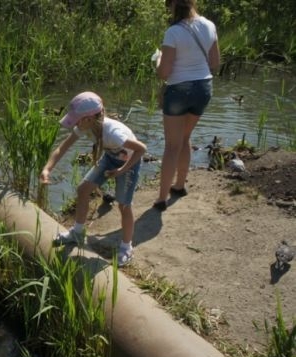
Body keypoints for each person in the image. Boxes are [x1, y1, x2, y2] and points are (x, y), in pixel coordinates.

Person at [40, 91, 147, 266]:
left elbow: (141, 149)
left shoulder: (113, 133)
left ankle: (126, 247)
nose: (74, 123)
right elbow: (62, 148)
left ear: (89, 119)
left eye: (76, 119)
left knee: (124, 205)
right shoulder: (86, 127)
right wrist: (47, 169)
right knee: (83, 189)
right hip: (110, 157)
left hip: (129, 162)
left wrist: (121, 170)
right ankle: (77, 232)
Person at [153, 0, 220, 211]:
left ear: (172, 5)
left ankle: (161, 199)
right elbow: (215, 63)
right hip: (204, 88)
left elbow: (164, 73)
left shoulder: (173, 32)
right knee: (185, 137)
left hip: (179, 90)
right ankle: (180, 186)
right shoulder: (209, 25)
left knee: (172, 146)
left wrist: (157, 60)